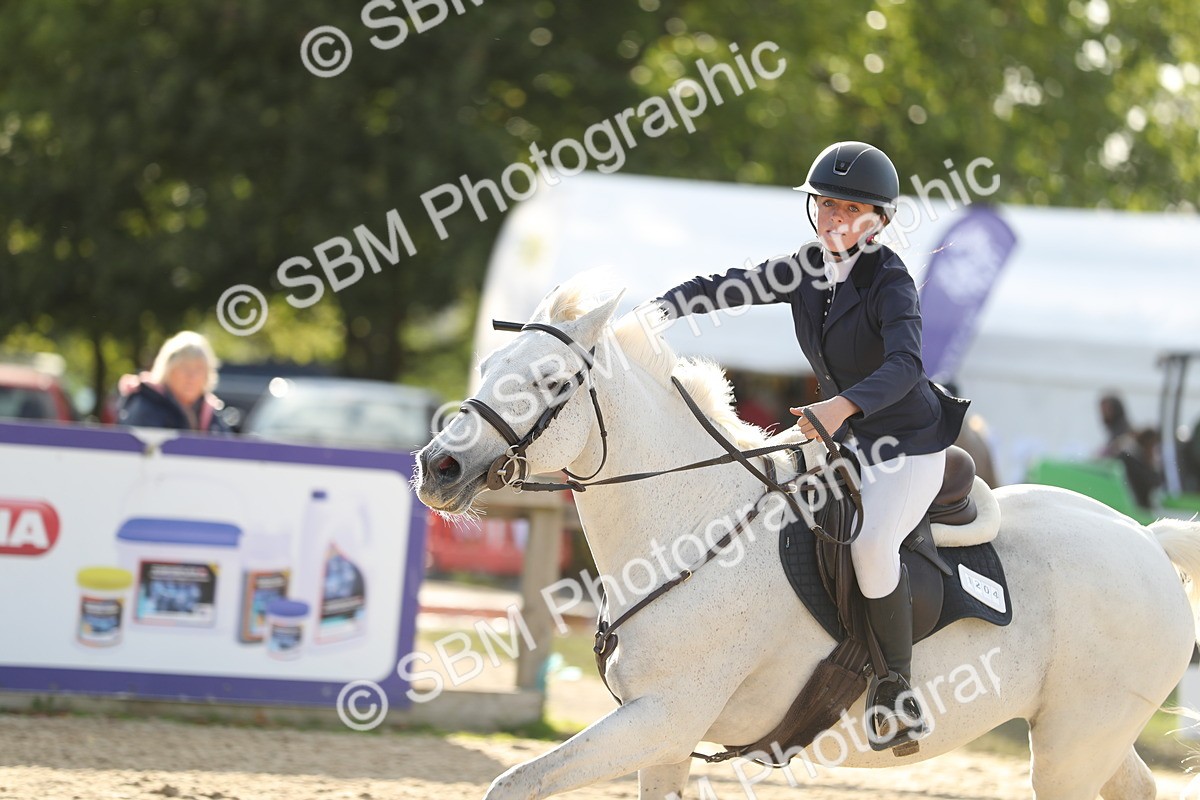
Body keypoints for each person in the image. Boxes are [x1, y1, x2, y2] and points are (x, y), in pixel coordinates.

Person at [650, 141, 969, 749]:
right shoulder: (806, 265)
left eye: (850, 208)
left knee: (873, 545)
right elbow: (732, 286)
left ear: (878, 220)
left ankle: (895, 692)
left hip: (905, 443)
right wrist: (656, 311)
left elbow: (906, 364)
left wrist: (841, 405)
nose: (833, 218)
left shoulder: (891, 281)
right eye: (825, 204)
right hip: (842, 434)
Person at [117, 331, 230, 433]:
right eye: (184, 367)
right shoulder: (145, 406)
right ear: (168, 370)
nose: (191, 376)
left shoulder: (213, 415)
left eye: (199, 369)